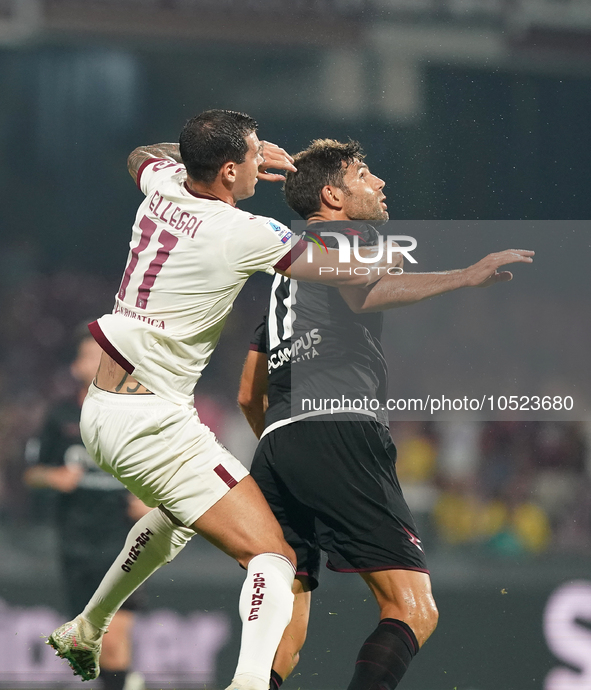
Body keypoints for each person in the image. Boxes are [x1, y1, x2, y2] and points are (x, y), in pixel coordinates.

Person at [46, 111, 389, 690]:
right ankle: (249, 684)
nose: (264, 162)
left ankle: (88, 625)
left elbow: (141, 155)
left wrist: (206, 154)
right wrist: (393, 252)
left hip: (107, 409)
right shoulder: (243, 232)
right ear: (229, 170)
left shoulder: (163, 184)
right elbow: (338, 269)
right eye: (256, 155)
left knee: (178, 519)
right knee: (275, 558)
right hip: (149, 421)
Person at [237, 138, 534, 690]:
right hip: (339, 426)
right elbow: (366, 294)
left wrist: (291, 444)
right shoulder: (346, 237)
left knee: (284, 620)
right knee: (413, 608)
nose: (379, 184)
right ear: (333, 195)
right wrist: (464, 276)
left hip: (276, 442)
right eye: (364, 174)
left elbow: (247, 395)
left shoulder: (287, 276)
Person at [25, 325, 149, 690]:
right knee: (89, 647)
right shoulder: (59, 415)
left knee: (114, 639)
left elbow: (165, 471)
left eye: (103, 358)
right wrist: (53, 477)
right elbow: (31, 473)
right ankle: (127, 683)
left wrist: (151, 502)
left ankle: (126, 681)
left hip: (126, 543)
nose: (95, 364)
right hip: (75, 542)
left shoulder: (133, 415)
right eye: (88, 357)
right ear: (75, 367)